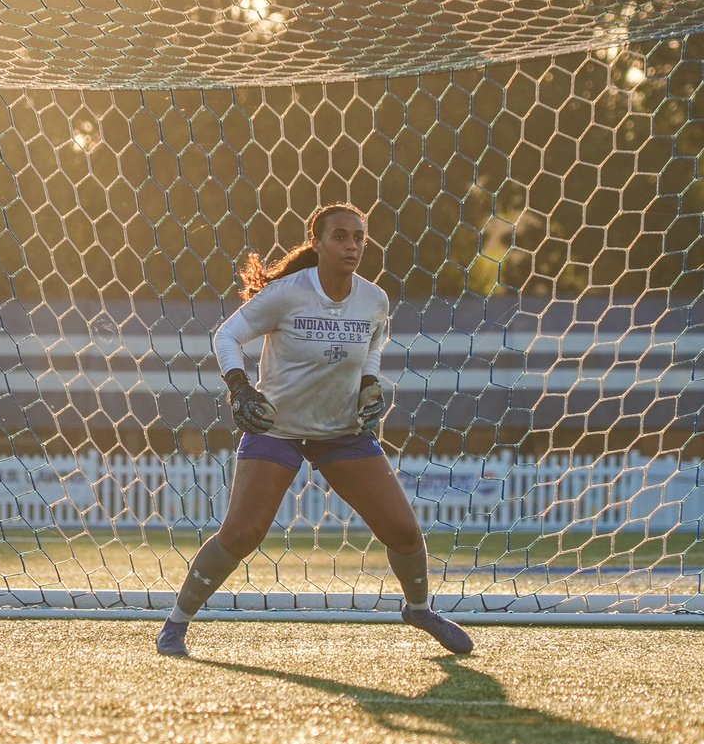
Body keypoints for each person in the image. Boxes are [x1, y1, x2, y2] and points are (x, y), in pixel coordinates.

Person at [156, 203, 473, 657]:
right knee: (242, 533)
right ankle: (176, 624)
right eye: (340, 236)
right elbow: (225, 336)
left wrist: (368, 386)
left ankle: (419, 609)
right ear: (317, 242)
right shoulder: (286, 294)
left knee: (404, 530)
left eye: (359, 238)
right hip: (276, 429)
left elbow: (372, 349)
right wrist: (239, 387)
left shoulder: (374, 300)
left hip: (341, 432)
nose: (352, 245)